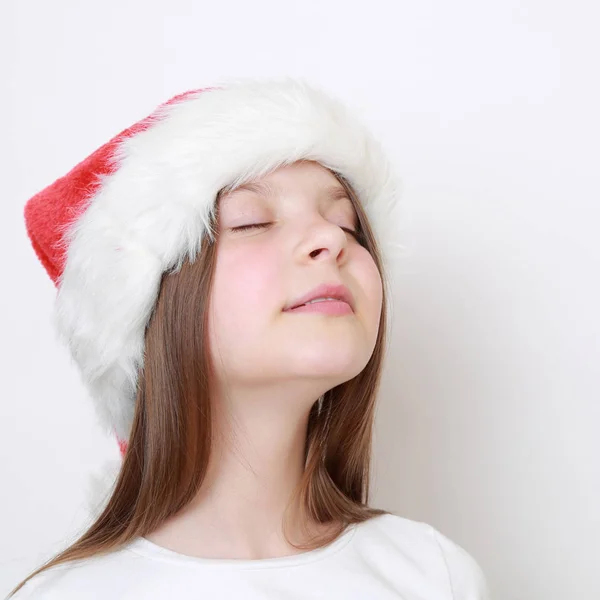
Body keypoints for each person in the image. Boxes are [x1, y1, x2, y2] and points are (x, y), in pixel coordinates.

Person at [8, 77, 491, 599]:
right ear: (153, 308)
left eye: (349, 226)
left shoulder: (434, 575)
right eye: (252, 222)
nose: (330, 239)